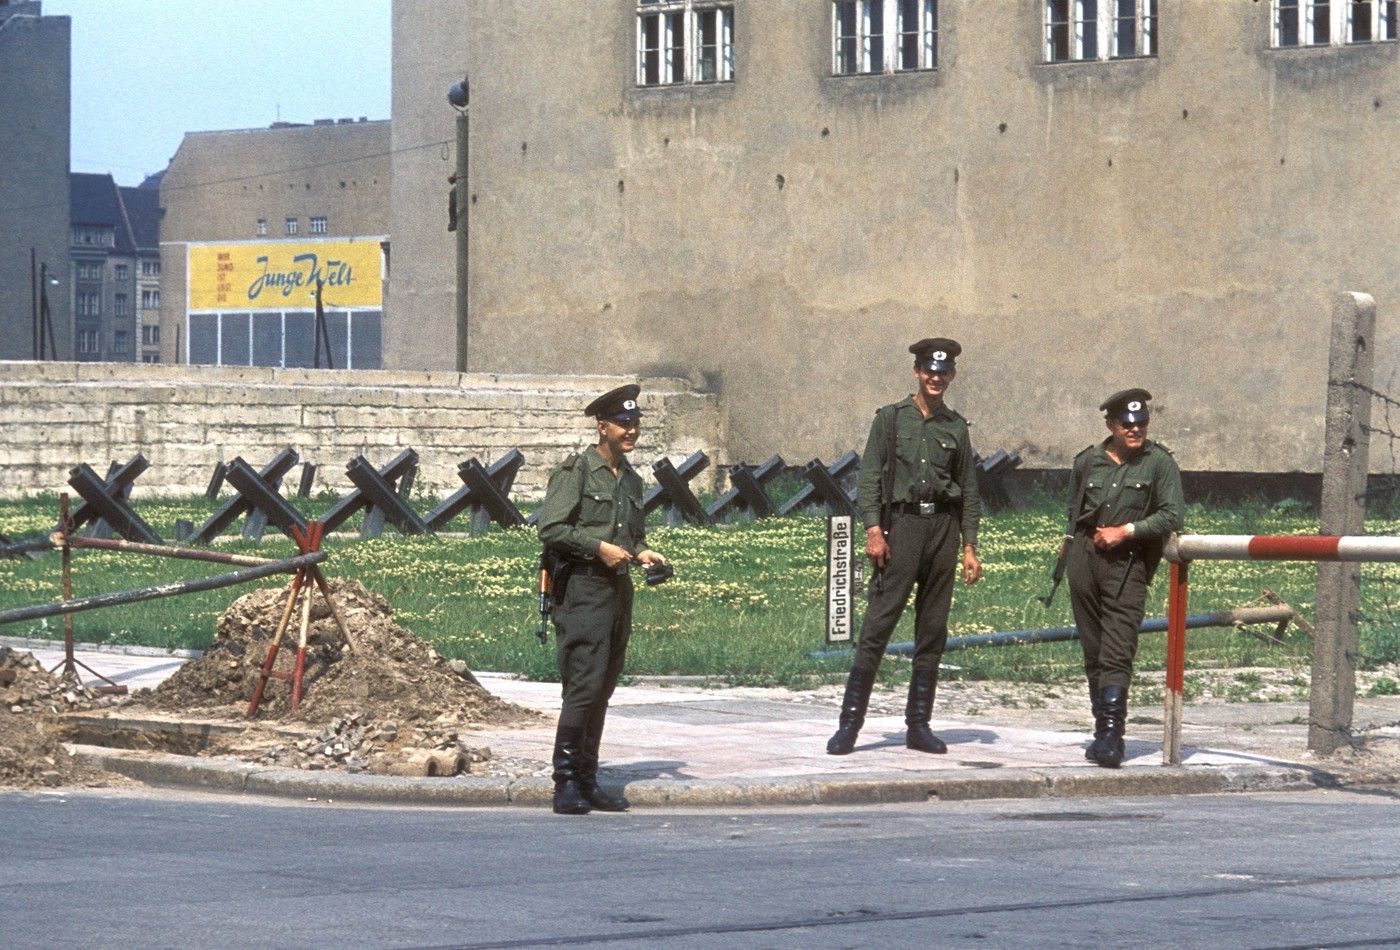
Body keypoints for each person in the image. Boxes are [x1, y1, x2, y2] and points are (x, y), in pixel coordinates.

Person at [827, 338, 982, 756]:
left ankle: (919, 725)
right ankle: (849, 726)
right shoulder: (891, 419)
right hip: (902, 527)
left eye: (944, 372)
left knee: (932, 631)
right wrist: (874, 530)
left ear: (952, 376)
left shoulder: (956, 427)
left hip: (943, 530)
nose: (936, 378)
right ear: (916, 372)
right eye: (929, 371)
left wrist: (969, 546)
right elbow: (870, 477)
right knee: (877, 626)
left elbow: (968, 489)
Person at [537, 383, 667, 814]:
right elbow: (551, 529)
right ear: (602, 426)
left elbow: (632, 534)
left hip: (617, 592)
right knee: (582, 686)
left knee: (603, 688)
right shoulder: (575, 472)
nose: (631, 431)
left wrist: (643, 551)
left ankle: (588, 780)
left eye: (635, 424)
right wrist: (599, 549)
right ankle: (565, 783)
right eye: (623, 424)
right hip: (582, 591)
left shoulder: (631, 479)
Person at [1064, 388, 1183, 768]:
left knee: (1118, 647)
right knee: (1093, 648)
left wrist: (1128, 530)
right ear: (1111, 425)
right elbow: (1073, 513)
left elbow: (1172, 516)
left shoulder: (1158, 463)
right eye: (1127, 425)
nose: (1136, 430)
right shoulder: (1087, 461)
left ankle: (1113, 737)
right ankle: (1101, 731)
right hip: (1084, 558)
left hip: (1127, 563)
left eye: (1141, 424)